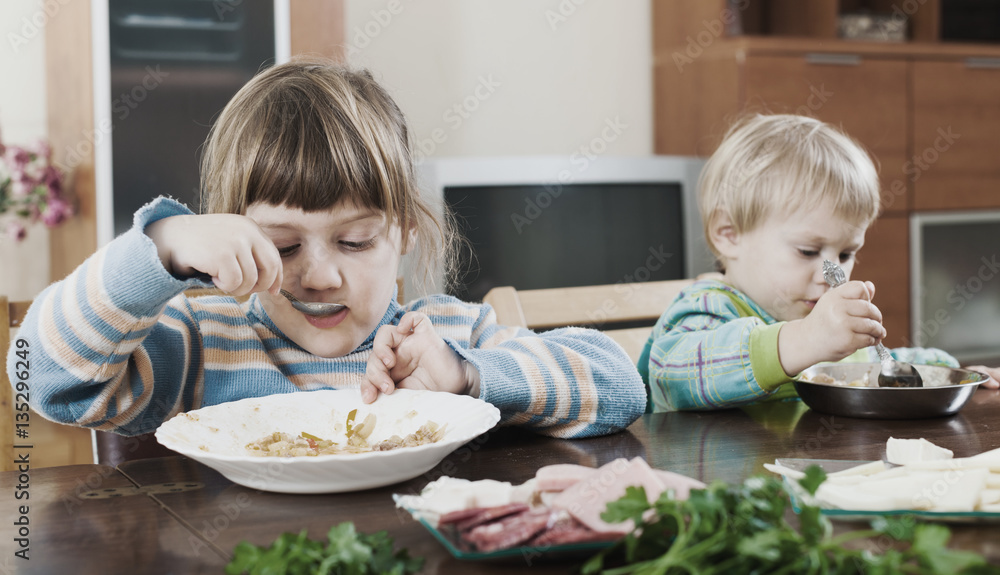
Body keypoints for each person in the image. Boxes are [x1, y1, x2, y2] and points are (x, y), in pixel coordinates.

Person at [8, 57, 645, 438]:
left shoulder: (447, 333)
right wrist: (160, 247)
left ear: (404, 232)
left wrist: (466, 375)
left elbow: (620, 386)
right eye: (281, 247)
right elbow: (40, 376)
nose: (319, 276)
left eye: (355, 240)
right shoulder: (199, 345)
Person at [639, 114, 1000, 412]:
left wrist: (951, 372)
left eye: (846, 253)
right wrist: (804, 340)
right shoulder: (708, 307)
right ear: (728, 234)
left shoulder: (813, 321)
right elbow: (673, 374)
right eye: (808, 251)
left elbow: (863, 367)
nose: (833, 274)